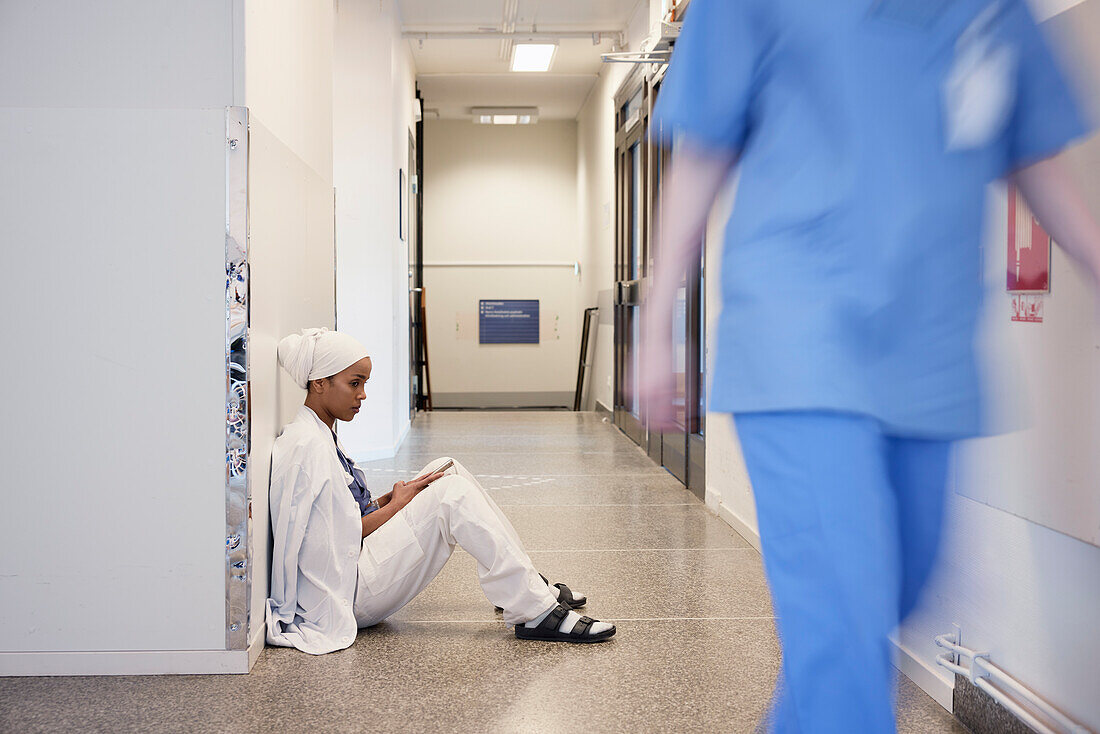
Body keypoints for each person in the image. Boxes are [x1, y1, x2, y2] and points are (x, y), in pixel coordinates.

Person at [642, 0, 1100, 731]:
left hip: (931, 352)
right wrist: (658, 319)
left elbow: (1029, 147)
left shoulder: (992, 9)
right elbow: (703, 150)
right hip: (799, 339)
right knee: (846, 628)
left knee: (893, 596)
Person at [265, 328, 615, 655]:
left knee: (445, 466)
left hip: (352, 569)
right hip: (348, 592)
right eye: (354, 383)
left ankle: (524, 586)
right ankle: (535, 609)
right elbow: (341, 536)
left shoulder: (318, 433)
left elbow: (337, 516)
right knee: (451, 496)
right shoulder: (307, 447)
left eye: (365, 383)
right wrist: (398, 505)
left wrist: (386, 500)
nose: (362, 394)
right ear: (319, 383)